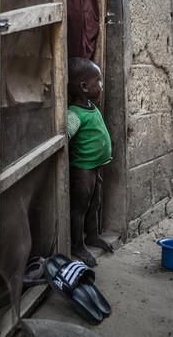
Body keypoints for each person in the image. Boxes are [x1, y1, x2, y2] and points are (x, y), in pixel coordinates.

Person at [67, 57, 114, 267]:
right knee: (80, 207)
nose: (102, 85)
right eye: (99, 81)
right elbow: (65, 133)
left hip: (96, 167)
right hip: (83, 169)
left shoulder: (89, 106)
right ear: (84, 87)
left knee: (95, 203)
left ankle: (92, 235)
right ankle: (77, 245)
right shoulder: (74, 113)